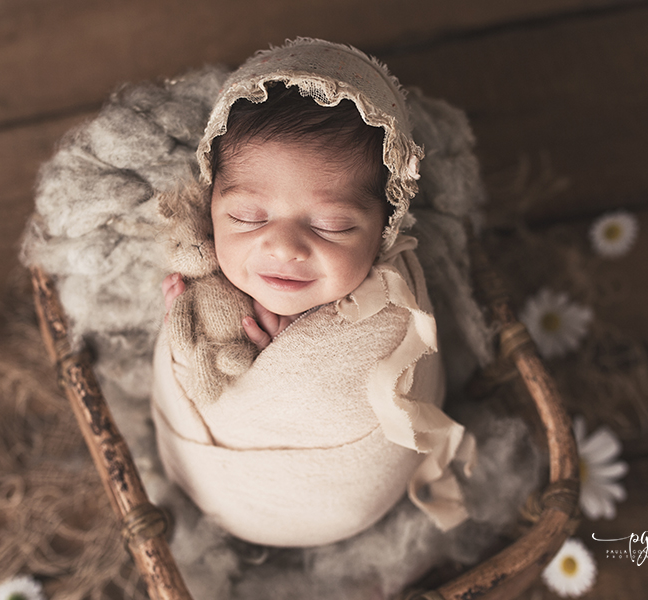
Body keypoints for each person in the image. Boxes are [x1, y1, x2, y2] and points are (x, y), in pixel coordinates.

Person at [152, 39, 474, 548]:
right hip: (215, 485)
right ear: (211, 202)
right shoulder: (200, 269)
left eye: (330, 226)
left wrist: (290, 357)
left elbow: (372, 392)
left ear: (385, 229)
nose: (282, 247)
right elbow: (188, 377)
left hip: (344, 500)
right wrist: (190, 340)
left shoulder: (390, 313)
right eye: (245, 217)